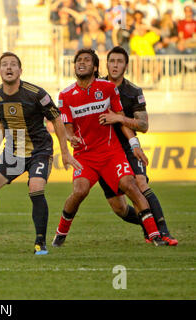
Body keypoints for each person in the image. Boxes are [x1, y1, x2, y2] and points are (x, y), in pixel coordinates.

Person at [0, 52, 81, 255]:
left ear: (20, 70)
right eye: (4, 64)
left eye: (13, 64)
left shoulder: (36, 93)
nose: (9, 67)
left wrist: (65, 152)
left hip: (40, 150)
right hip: (13, 151)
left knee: (35, 188)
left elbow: (56, 118)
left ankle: (41, 241)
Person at [51, 48, 167, 248]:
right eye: (78, 60)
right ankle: (60, 234)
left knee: (131, 184)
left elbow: (121, 120)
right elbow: (66, 126)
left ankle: (156, 234)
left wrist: (134, 145)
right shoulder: (65, 95)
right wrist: (70, 138)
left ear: (95, 67)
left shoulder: (107, 88)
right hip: (85, 155)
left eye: (87, 60)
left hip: (111, 153)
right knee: (80, 191)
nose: (82, 63)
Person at [98, 46, 178, 246]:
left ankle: (162, 232)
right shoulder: (96, 87)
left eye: (119, 61)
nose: (115, 65)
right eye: (112, 61)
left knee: (141, 184)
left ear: (126, 65)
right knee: (120, 209)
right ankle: (148, 227)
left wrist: (118, 117)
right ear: (106, 64)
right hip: (104, 150)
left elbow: (143, 125)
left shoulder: (133, 91)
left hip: (127, 146)